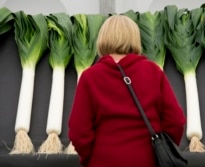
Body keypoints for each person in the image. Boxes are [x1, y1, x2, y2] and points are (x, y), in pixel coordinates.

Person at [68, 14, 186, 167]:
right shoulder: (154, 72)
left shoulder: (89, 77)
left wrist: (89, 159)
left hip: (103, 161)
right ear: (135, 38)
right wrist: (162, 149)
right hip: (147, 161)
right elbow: (175, 121)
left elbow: (79, 132)